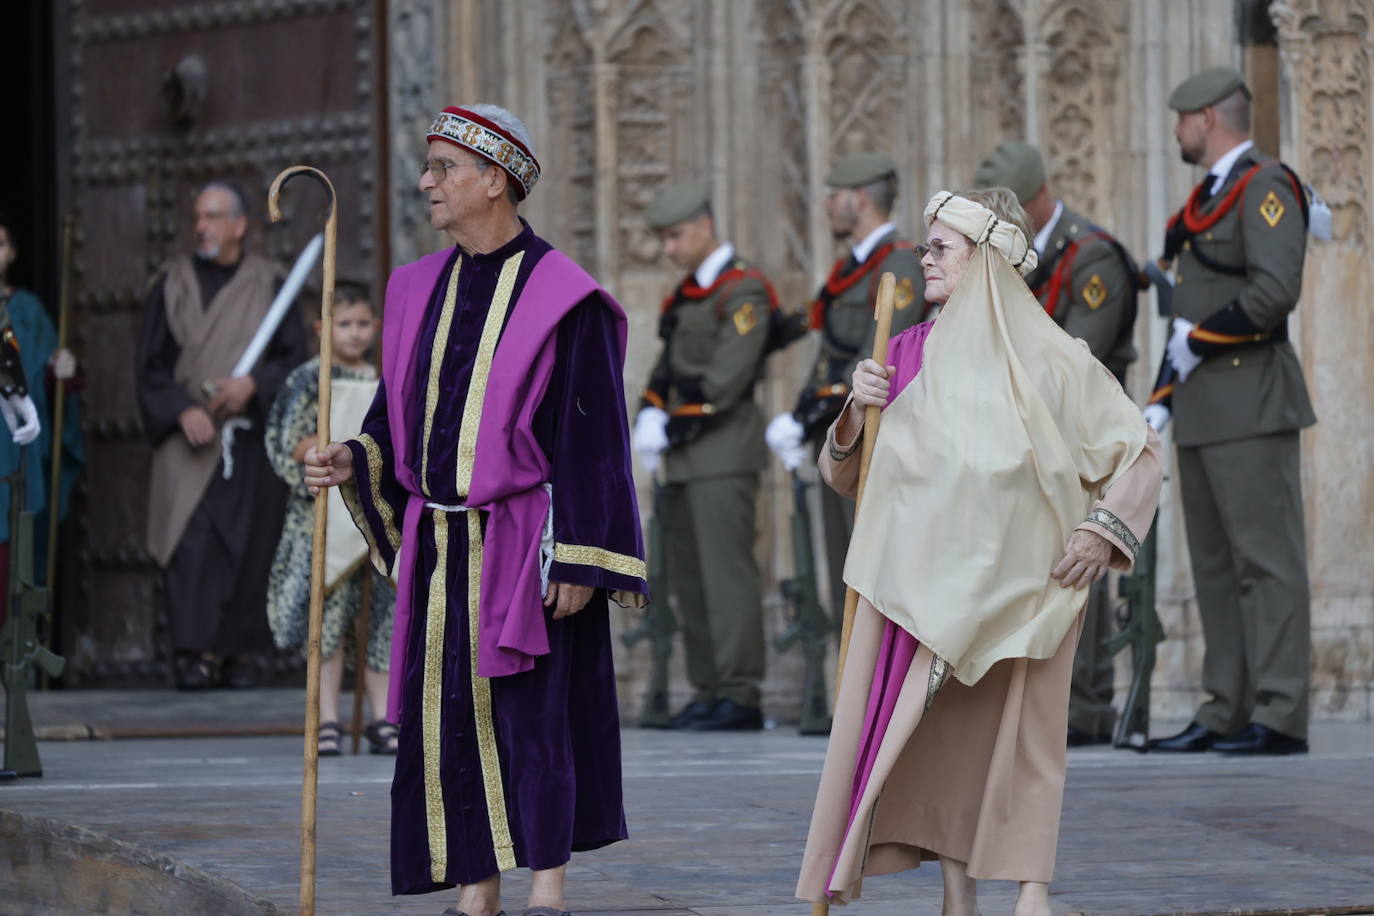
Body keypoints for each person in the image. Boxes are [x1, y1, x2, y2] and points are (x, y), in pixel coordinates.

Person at [303, 103, 647, 912]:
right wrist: (353, 458)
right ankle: (475, 889)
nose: (427, 182)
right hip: (441, 547)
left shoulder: (568, 298)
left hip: (529, 544)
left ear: (495, 180)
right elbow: (395, 417)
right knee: (447, 722)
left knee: (536, 718)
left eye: (443, 168)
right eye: (429, 168)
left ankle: (547, 892)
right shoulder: (416, 289)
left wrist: (583, 554)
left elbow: (594, 438)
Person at [795, 189, 1162, 916]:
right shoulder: (903, 352)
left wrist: (1102, 529)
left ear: (987, 258)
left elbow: (1139, 449)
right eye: (926, 246)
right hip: (927, 589)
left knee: (1025, 741)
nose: (924, 257)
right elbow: (847, 476)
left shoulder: (1054, 357)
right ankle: (956, 897)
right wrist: (854, 413)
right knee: (941, 743)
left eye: (941, 248)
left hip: (1028, 586)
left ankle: (1032, 894)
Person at [1145, 67, 1315, 756]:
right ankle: (1225, 707)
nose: (1177, 130)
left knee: (1265, 562)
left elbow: (1276, 291)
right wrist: (1165, 390)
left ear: (1209, 118)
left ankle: (1278, 711)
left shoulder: (1266, 185)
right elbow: (1186, 307)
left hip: (1251, 398)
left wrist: (1199, 340)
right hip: (1204, 407)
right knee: (1215, 567)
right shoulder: (1207, 196)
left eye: (1183, 119)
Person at [974, 140, 1140, 746]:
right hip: (1027, 438)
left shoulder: (1091, 255)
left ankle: (1088, 705)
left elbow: (1079, 356)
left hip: (1081, 442)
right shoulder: (1028, 256)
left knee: (1077, 563)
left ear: (1039, 198)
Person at [134, 181, 307, 689]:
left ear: (239, 226)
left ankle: (241, 655)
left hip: (248, 438)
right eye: (197, 217)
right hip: (190, 439)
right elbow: (150, 367)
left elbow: (294, 360)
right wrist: (183, 409)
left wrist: (254, 384)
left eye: (212, 217)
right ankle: (193, 655)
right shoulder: (172, 284)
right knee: (193, 545)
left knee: (249, 542)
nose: (201, 227)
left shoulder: (270, 283)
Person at [632, 181, 773, 731]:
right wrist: (649, 406)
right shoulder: (689, 293)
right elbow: (668, 366)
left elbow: (726, 378)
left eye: (675, 236)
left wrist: (671, 419)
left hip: (722, 452)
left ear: (705, 226)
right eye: (662, 240)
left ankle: (739, 690)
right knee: (688, 578)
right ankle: (710, 685)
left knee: (725, 576)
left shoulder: (744, 289)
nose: (668, 249)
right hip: (687, 458)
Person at [766, 152, 927, 619]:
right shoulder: (850, 269)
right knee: (842, 565)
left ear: (858, 199)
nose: (827, 206)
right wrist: (804, 413)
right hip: (841, 428)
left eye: (834, 196)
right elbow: (830, 347)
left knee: (872, 568)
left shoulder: (899, 263)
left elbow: (881, 349)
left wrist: (823, 407)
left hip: (876, 428)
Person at [264, 280, 396, 756]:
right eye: (345, 324)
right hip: (322, 516)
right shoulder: (308, 378)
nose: (355, 333)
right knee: (330, 621)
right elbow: (287, 436)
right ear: (323, 327)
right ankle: (327, 719)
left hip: (374, 516)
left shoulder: (382, 379)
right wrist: (316, 453)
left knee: (384, 618)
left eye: (363, 324)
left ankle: (383, 716)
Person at [0, 214, 84, 609]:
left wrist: (60, 373)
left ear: (11, 253)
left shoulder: (27, 311)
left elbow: (48, 378)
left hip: (16, 456)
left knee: (17, 580)